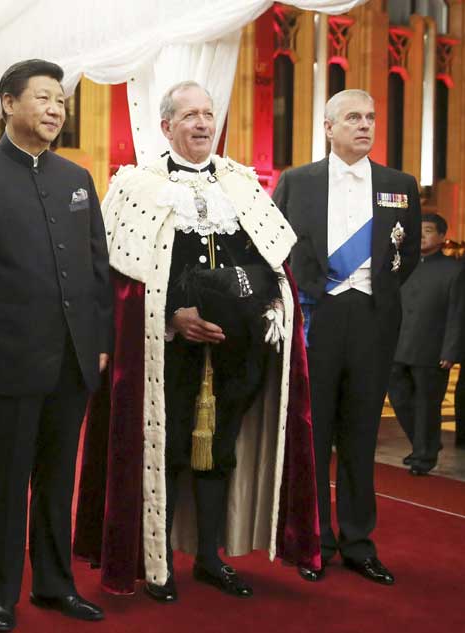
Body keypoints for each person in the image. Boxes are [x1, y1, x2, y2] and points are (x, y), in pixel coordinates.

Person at [73, 81, 319, 602]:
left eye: (209, 114)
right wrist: (172, 317)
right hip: (165, 353)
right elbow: (121, 283)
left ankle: (210, 558)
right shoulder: (136, 187)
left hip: (237, 351)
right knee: (168, 454)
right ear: (166, 127)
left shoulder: (242, 183)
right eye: (190, 116)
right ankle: (156, 564)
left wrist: (267, 303)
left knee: (220, 452)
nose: (204, 124)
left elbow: (274, 264)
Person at [0, 59, 111, 632]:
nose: (55, 109)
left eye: (60, 100)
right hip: (7, 357)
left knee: (58, 480)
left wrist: (100, 339)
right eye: (43, 98)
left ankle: (56, 586)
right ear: (8, 103)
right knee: (7, 484)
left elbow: (95, 267)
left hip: (71, 358)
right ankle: (1, 593)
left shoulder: (77, 179)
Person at [273, 89, 421, 585]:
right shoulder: (297, 181)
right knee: (312, 435)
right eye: (353, 117)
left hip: (373, 321)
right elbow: (277, 246)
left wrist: (367, 293)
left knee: (360, 435)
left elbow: (408, 257)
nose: (365, 125)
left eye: (371, 117)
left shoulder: (400, 184)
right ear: (328, 127)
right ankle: (314, 541)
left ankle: (359, 543)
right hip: (317, 317)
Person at [388, 213, 464, 475]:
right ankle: (426, 444)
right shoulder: (403, 266)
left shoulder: (455, 269)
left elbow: (458, 313)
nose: (421, 236)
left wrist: (451, 350)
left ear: (442, 237)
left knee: (428, 406)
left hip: (433, 349)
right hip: (399, 345)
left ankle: (424, 456)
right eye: (418, 231)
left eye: (429, 231)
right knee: (398, 399)